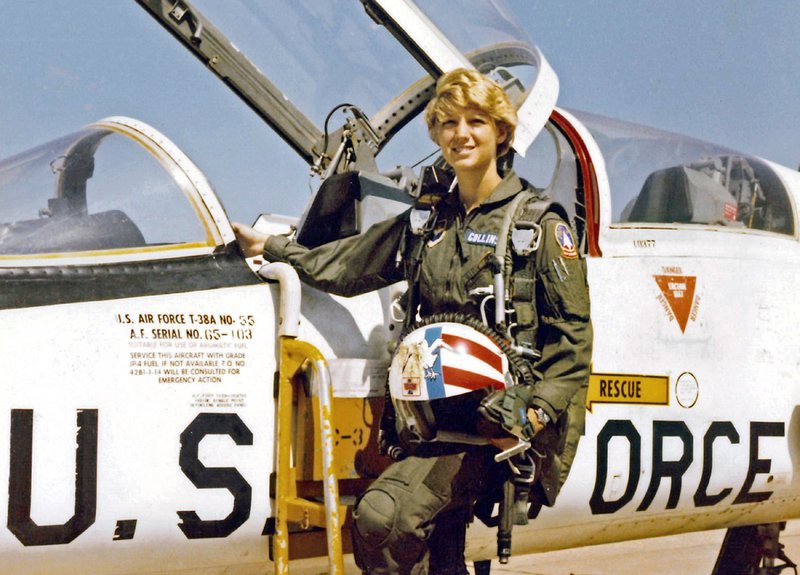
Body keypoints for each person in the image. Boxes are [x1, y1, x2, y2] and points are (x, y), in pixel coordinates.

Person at [234, 68, 592, 575]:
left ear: (502, 131)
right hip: (426, 419)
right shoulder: (427, 221)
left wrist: (526, 419)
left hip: (495, 425)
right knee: (431, 543)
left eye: (475, 121)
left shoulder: (537, 226)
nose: (459, 134)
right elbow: (349, 265)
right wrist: (273, 248)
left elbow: (573, 351)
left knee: (385, 518)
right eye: (447, 123)